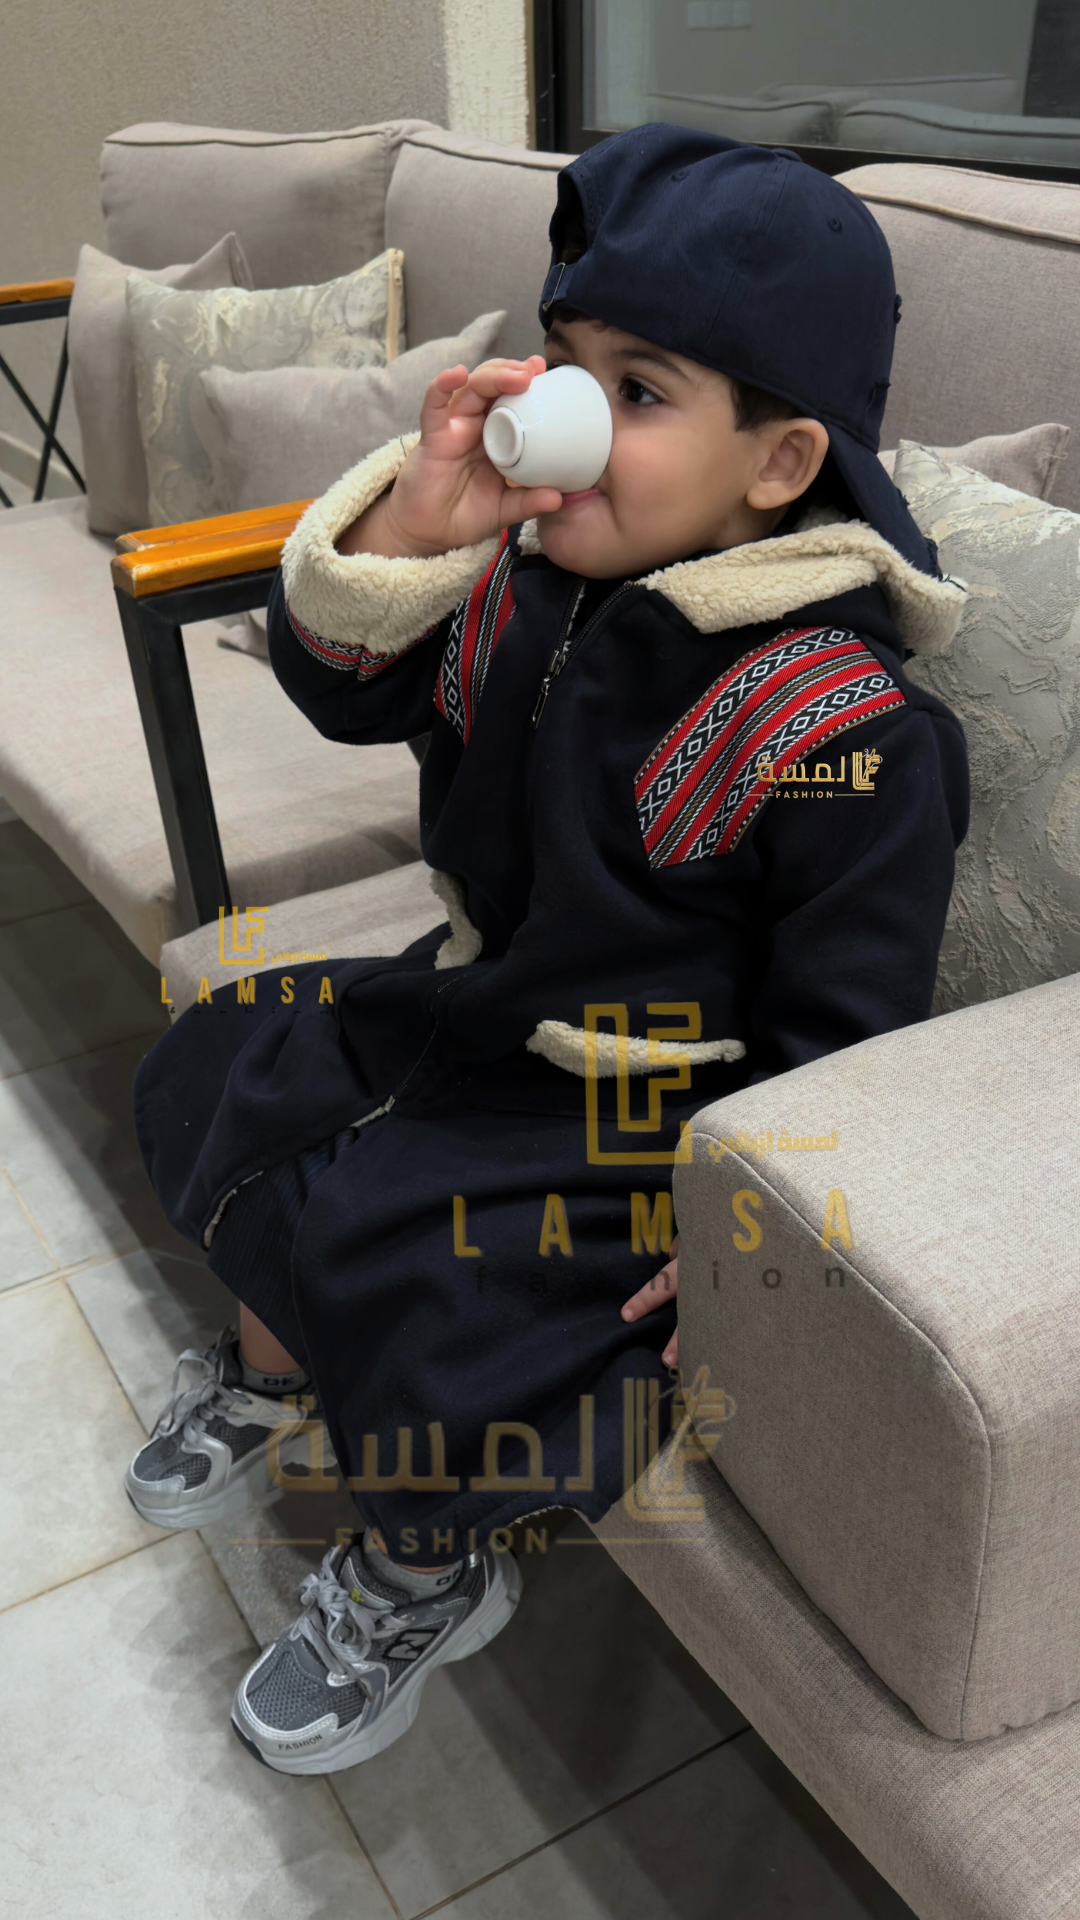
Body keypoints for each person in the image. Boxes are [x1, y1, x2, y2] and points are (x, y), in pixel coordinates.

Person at [128, 125, 968, 1775]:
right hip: (477, 1003)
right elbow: (345, 689)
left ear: (781, 464)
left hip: (640, 1106)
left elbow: (853, 1032)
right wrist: (414, 527)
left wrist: (744, 1236)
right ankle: (273, 1371)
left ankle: (427, 1561)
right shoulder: (518, 578)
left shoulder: (842, 723)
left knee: (441, 1276)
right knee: (241, 1066)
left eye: (637, 391)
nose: (565, 412)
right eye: (562, 361)